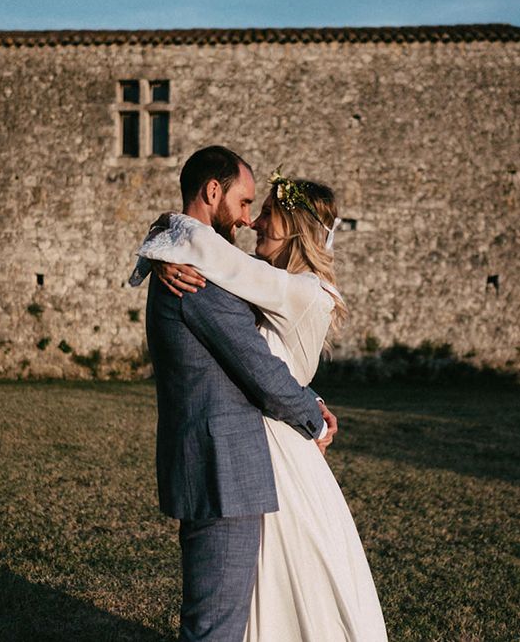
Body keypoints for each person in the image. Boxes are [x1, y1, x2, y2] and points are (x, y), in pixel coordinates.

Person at [135, 162, 388, 641]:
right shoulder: (253, 284)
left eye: (265, 211)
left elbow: (265, 367)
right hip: (246, 455)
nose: (252, 221)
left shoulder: (302, 289)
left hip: (270, 453)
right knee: (237, 604)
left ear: (294, 229)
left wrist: (167, 245)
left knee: (276, 590)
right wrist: (163, 250)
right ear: (214, 191)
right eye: (251, 204)